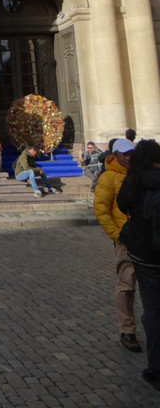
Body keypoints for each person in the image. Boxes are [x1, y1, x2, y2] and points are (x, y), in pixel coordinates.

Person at [117, 140, 160, 391]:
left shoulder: (134, 180)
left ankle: (155, 368)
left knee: (154, 311)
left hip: (145, 255)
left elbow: (122, 206)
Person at [93, 137, 142, 353]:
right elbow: (102, 210)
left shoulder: (141, 174)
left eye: (131, 153)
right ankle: (127, 330)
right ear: (116, 155)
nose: (129, 157)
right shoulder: (108, 178)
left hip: (147, 239)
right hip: (126, 240)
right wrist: (117, 236)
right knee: (126, 285)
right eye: (124, 154)